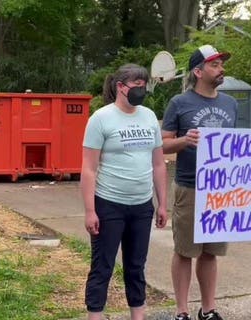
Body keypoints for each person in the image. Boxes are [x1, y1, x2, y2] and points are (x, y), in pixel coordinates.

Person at [81, 63, 168, 320]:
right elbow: (88, 169)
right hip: (109, 204)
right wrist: (89, 210)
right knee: (102, 266)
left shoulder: (149, 116)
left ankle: (137, 316)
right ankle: (95, 314)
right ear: (120, 87)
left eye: (144, 87)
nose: (141, 92)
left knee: (136, 267)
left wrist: (162, 203)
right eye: (136, 87)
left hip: (142, 206)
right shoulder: (101, 118)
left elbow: (158, 163)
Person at [161, 45, 237, 320]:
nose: (221, 69)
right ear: (198, 71)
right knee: (185, 251)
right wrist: (184, 140)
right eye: (215, 65)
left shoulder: (230, 103)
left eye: (221, 64)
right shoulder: (179, 103)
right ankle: (181, 311)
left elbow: (237, 145)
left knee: (211, 252)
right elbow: (163, 145)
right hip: (190, 187)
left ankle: (208, 309)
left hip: (220, 189)